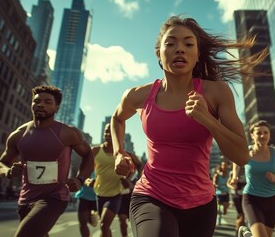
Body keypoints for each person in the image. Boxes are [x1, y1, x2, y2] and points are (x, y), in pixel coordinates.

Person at [111, 15, 266, 237]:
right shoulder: (138, 95)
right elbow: (117, 118)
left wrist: (208, 119)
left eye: (188, 44)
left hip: (200, 204)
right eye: (171, 43)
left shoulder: (217, 92)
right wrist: (119, 152)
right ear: (159, 54)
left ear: (197, 55)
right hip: (152, 196)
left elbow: (242, 156)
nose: (179, 49)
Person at [0, 85, 94, 237]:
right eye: (37, 101)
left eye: (48, 102)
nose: (41, 104)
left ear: (57, 108)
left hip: (54, 198)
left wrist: (80, 179)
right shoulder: (18, 135)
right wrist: (7, 172)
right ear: (31, 104)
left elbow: (88, 155)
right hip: (25, 199)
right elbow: (0, 164)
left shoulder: (68, 133)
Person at [232, 120, 275, 237]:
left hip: (272, 200)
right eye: (259, 133)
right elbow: (236, 162)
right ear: (252, 135)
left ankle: (245, 233)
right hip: (251, 198)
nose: (263, 136)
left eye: (266, 133)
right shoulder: (246, 152)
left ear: (269, 135)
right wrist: (234, 175)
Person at [92, 123, 124, 237]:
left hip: (115, 194)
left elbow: (135, 166)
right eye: (106, 131)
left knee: (104, 225)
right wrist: (86, 181)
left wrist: (127, 179)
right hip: (99, 193)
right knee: (105, 228)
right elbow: (85, 169)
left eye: (110, 131)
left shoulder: (120, 153)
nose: (107, 134)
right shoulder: (95, 151)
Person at [117, 152, 142, 237]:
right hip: (119, 193)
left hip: (132, 193)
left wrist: (138, 179)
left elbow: (140, 164)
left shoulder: (128, 154)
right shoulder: (110, 155)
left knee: (136, 221)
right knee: (122, 220)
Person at [75, 172, 99, 237]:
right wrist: (87, 182)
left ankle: (92, 216)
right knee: (82, 223)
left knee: (104, 224)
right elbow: (78, 180)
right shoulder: (85, 164)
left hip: (98, 197)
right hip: (83, 197)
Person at [227, 163, 246, 233]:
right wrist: (233, 187)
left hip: (246, 195)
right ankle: (238, 230)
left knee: (242, 215)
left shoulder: (248, 170)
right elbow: (228, 183)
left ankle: (238, 229)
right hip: (237, 196)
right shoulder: (233, 172)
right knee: (241, 215)